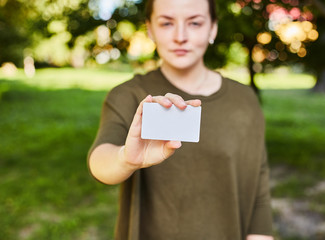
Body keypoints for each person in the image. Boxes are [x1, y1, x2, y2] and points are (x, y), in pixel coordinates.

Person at [88, 0, 273, 239]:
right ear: (150, 29)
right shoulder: (129, 95)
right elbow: (100, 159)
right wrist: (125, 159)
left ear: (213, 28)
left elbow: (258, 180)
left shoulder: (244, 100)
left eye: (194, 22)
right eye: (166, 23)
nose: (180, 36)